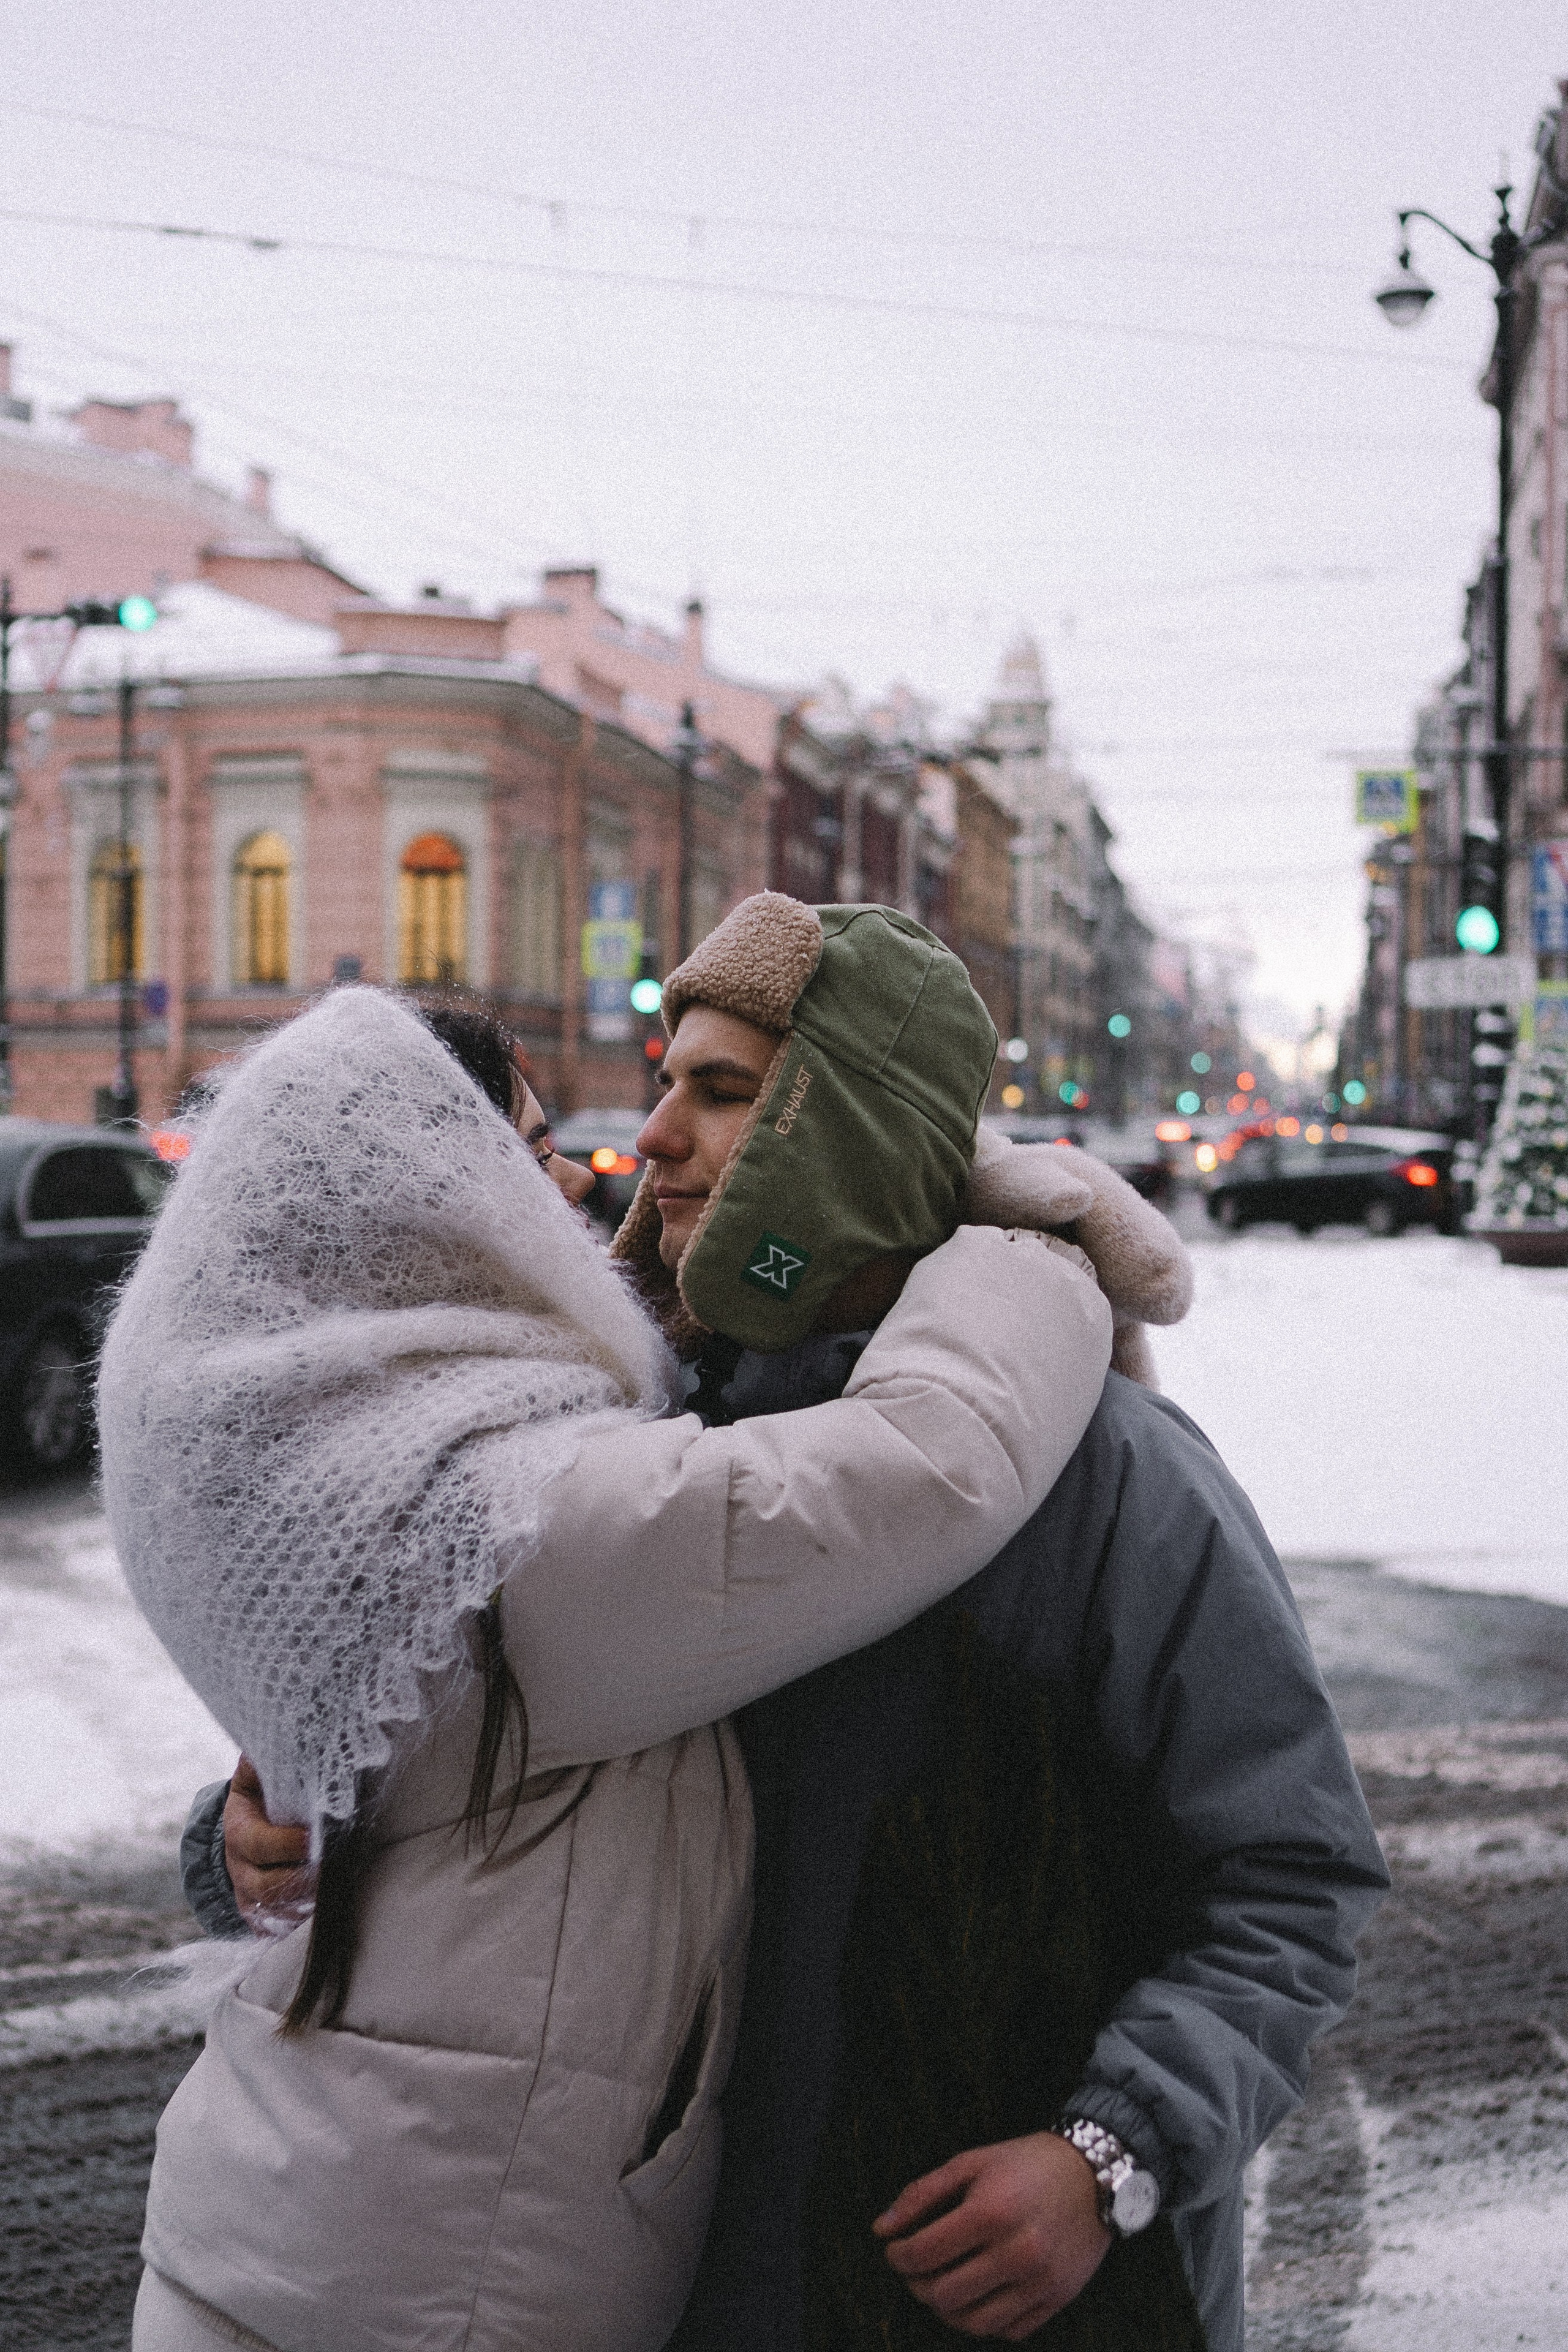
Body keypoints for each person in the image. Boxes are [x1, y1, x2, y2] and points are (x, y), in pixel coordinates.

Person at [200, 899, 1389, 2352]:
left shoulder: (1114, 1479)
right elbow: (456, 1776)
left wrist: (1106, 2154)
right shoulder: (633, 1448)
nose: (648, 1138)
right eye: (659, 1084)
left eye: (721, 1094)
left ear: (854, 1133)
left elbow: (1289, 1875)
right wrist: (260, 1825)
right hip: (683, 2294)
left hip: (1012, 2311)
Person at [103, 956, 1119, 2352]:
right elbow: (925, 1466)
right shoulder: (501, 1519)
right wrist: (1026, 1245)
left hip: (293, 2213)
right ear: (426, 1205)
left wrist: (233, 1840)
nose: (589, 1185)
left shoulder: (322, 1456)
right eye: (525, 1163)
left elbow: (376, 1799)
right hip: (436, 2276)